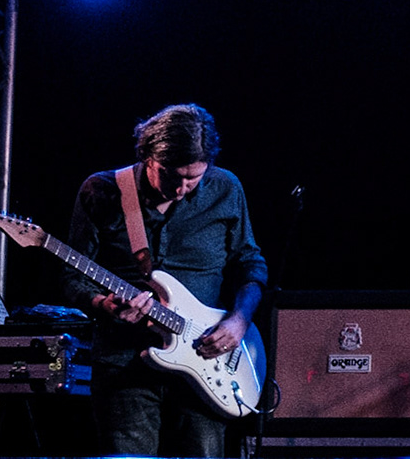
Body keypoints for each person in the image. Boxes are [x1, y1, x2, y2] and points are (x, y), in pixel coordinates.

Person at [60, 103, 267, 457]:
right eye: (171, 175)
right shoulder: (102, 190)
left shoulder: (225, 189)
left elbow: (251, 263)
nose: (183, 187)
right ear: (147, 156)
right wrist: (105, 305)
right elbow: (72, 279)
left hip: (207, 360)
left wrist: (238, 320)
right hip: (124, 365)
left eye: (194, 178)